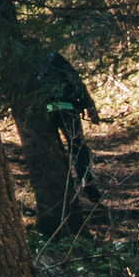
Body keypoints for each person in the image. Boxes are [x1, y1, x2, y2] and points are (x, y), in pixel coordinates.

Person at [40, 51, 104, 205]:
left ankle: (72, 187)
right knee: (77, 145)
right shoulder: (53, 57)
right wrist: (89, 106)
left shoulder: (27, 62)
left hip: (44, 112)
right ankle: (86, 180)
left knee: (57, 150)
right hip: (67, 109)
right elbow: (75, 81)